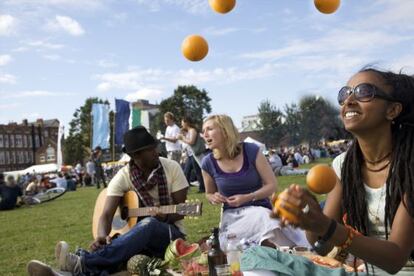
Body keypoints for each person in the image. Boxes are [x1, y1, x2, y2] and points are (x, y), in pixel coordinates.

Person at [276, 67, 414, 275]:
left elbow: (395, 258)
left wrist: (327, 227)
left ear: (392, 110)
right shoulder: (344, 165)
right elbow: (320, 242)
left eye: (364, 92)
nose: (349, 100)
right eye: (345, 93)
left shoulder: (410, 165)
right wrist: (309, 213)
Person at [27, 126, 189, 275]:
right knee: (119, 257)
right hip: (135, 240)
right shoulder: (123, 176)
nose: (156, 152)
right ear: (136, 155)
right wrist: (103, 236)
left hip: (170, 236)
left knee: (150, 223)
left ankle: (83, 262)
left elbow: (181, 210)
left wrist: (165, 217)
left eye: (155, 147)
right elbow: (105, 214)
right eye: (151, 149)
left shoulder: (172, 167)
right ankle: (70, 273)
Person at [201, 114, 309, 250]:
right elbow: (209, 193)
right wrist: (213, 197)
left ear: (225, 130)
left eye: (209, 129)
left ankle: (289, 253)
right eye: (203, 130)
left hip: (261, 209)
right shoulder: (208, 162)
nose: (204, 134)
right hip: (233, 216)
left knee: (269, 222)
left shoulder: (251, 151)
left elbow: (272, 185)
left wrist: (248, 197)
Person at [178, 116, 206, 193]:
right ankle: (186, 189)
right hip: (191, 154)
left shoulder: (193, 130)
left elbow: (191, 142)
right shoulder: (188, 131)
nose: (182, 125)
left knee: (198, 171)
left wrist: (182, 138)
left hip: (195, 154)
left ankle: (202, 188)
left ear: (187, 122)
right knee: (187, 171)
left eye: (183, 123)